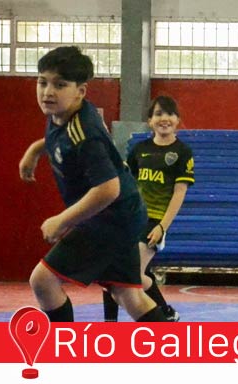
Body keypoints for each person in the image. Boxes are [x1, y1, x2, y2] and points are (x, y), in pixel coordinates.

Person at [18, 46, 169, 322]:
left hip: (109, 218)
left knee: (43, 280)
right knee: (126, 294)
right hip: (126, 214)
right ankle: (173, 351)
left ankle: (63, 352)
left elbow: (108, 188)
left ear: (81, 91)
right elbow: (60, 140)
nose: (48, 92)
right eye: (42, 82)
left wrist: (62, 220)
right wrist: (35, 151)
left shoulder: (85, 132)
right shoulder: (62, 114)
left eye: (60, 85)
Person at [102, 95, 195, 322]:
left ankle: (160, 316)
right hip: (131, 219)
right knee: (109, 270)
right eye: (158, 114)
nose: (164, 119)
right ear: (150, 120)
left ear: (177, 119)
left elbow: (179, 193)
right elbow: (127, 184)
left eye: (169, 114)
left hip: (154, 222)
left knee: (129, 275)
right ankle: (116, 323)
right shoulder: (139, 149)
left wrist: (162, 227)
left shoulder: (182, 152)